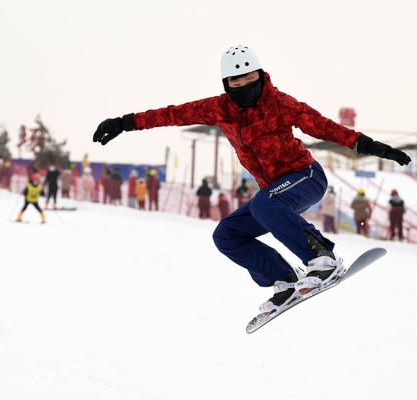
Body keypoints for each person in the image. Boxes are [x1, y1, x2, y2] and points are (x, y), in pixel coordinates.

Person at [92, 45, 412, 314]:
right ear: (226, 83)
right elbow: (173, 113)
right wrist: (125, 123)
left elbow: (324, 127)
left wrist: (372, 146)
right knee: (227, 235)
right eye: (236, 79)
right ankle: (285, 280)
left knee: (265, 203)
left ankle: (322, 258)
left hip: (306, 177)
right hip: (273, 195)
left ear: (260, 74)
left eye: (249, 76)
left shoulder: (280, 104)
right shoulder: (219, 109)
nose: (244, 83)